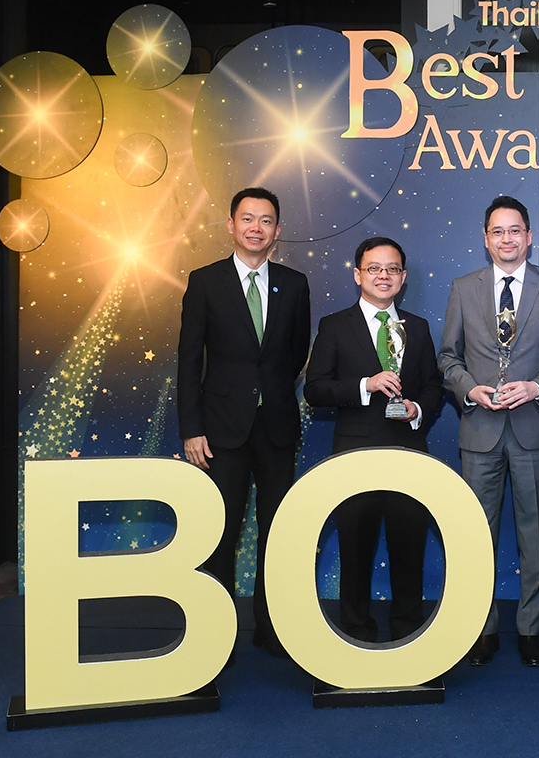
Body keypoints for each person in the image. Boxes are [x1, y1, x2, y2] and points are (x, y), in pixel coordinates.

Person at [438, 195, 539, 668]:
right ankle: (481, 628)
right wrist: (468, 389)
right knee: (476, 533)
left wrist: (537, 387)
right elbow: (448, 358)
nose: (507, 239)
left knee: (534, 535)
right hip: (479, 430)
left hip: (532, 430)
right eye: (497, 231)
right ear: (486, 239)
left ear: (529, 236)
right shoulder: (464, 288)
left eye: (515, 230)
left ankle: (530, 629)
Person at [177, 187, 311, 659]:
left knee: (278, 529)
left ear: (278, 230)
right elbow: (189, 361)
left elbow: (295, 354)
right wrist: (191, 428)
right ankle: (216, 629)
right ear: (231, 225)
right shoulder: (205, 281)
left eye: (266, 220)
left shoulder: (294, 284)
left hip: (276, 426)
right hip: (219, 431)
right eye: (248, 218)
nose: (257, 228)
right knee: (222, 530)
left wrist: (267, 391)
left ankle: (272, 628)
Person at [304, 236, 444, 645]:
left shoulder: (417, 327)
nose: (384, 276)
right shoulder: (334, 325)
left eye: (392, 269)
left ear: (403, 277)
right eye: (374, 268)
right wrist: (365, 384)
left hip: (408, 454)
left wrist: (418, 409)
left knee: (409, 549)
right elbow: (315, 389)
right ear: (357, 275)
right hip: (354, 455)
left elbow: (433, 386)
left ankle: (408, 634)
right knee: (355, 549)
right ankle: (355, 635)